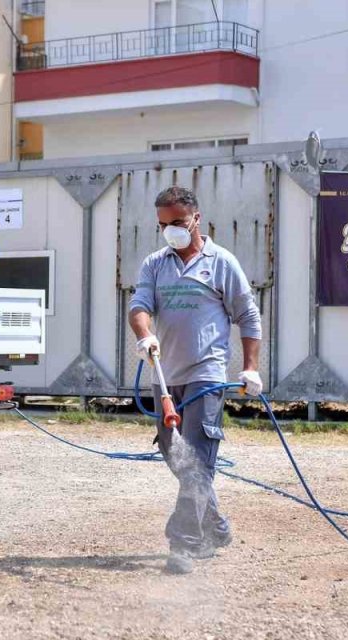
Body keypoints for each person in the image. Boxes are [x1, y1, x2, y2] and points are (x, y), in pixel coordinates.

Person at [127, 185, 263, 575]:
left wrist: (250, 367)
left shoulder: (222, 263)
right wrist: (145, 334)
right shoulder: (155, 264)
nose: (170, 230)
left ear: (196, 219)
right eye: (163, 225)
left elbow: (248, 317)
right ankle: (215, 526)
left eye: (178, 222)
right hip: (165, 376)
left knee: (197, 461)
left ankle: (184, 544)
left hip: (207, 375)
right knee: (177, 457)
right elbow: (139, 306)